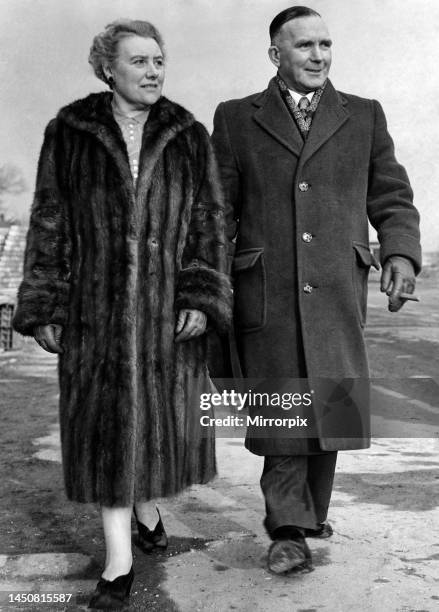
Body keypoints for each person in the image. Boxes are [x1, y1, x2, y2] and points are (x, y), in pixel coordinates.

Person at [13, 19, 232, 609]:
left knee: (158, 429)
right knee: (107, 432)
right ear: (108, 67)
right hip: (96, 315)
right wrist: (46, 304)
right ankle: (118, 564)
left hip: (166, 317)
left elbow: (209, 225)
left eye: (159, 60)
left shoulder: (187, 133)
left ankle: (147, 508)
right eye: (139, 61)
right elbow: (50, 221)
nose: (154, 71)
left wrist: (200, 297)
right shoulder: (70, 131)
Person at [211, 6, 421, 575]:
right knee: (283, 408)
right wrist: (203, 281)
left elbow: (392, 197)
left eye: (325, 44)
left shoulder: (364, 116)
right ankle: (287, 529)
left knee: (329, 408)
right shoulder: (234, 118)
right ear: (276, 54)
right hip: (267, 287)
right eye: (304, 46)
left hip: (336, 286)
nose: (318, 55)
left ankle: (309, 514)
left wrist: (399, 252)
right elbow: (217, 209)